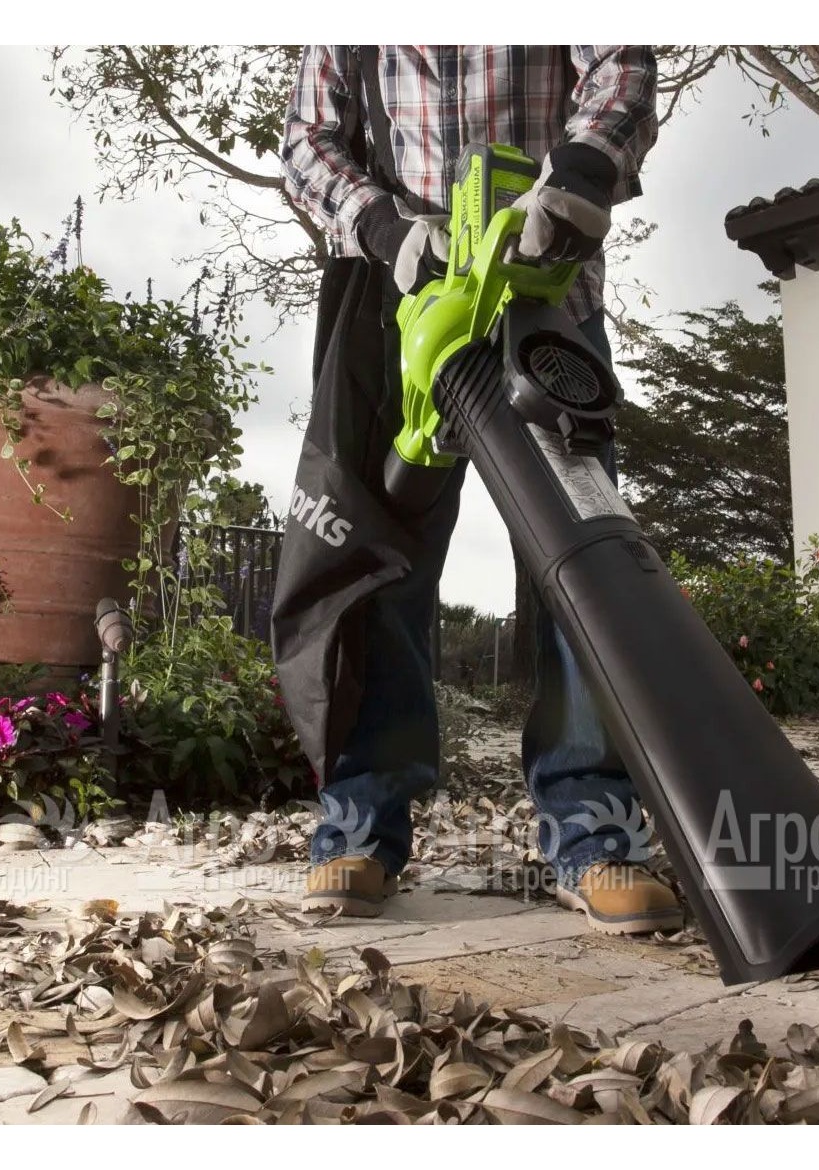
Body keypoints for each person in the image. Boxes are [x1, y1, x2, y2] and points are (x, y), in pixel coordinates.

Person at [275, 45, 681, 935]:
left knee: (583, 570)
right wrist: (382, 225)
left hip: (545, 305)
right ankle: (361, 822)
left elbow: (621, 62)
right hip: (404, 310)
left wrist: (578, 174)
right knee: (379, 566)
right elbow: (306, 140)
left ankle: (594, 830)